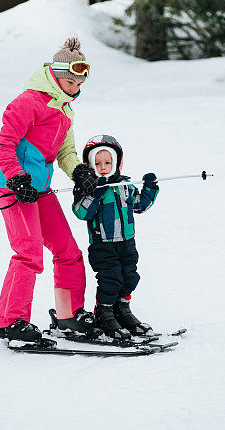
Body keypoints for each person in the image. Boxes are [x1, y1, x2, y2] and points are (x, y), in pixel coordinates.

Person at [0, 37, 103, 342]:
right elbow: (4, 144)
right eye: (69, 81)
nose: (74, 88)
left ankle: (69, 316)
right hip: (14, 190)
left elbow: (66, 152)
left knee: (68, 251)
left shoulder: (65, 110)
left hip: (40, 192)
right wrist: (16, 178)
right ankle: (9, 321)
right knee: (28, 253)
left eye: (79, 83)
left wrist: (79, 171)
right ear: (54, 75)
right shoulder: (27, 102)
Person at [72, 135, 159, 340]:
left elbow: (140, 205)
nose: (103, 167)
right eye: (98, 163)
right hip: (103, 245)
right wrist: (96, 193)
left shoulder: (125, 186)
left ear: (117, 163)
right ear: (90, 165)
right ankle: (104, 313)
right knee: (111, 279)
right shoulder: (88, 189)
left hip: (127, 243)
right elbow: (81, 213)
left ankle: (122, 311)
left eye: (108, 162)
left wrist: (150, 188)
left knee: (130, 277)